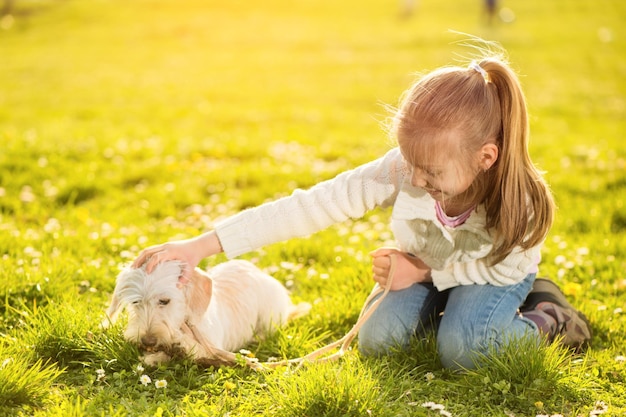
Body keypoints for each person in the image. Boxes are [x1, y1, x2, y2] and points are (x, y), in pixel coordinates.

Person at [132, 50, 591, 370]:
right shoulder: (405, 168)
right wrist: (201, 245)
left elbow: (493, 264)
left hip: (493, 275)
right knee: (380, 343)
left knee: (466, 352)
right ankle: (443, 310)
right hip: (421, 269)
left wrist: (423, 274)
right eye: (409, 164)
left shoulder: (520, 199)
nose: (414, 181)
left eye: (430, 173)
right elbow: (311, 206)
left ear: (484, 158)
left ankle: (545, 317)